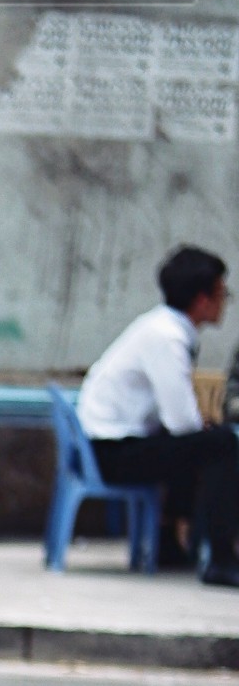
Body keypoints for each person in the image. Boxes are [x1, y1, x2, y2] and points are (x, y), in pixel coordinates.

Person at [77, 245, 239, 586]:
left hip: (114, 443)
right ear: (202, 299)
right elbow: (183, 422)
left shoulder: (160, 327)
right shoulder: (167, 338)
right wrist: (205, 429)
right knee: (221, 444)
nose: (225, 302)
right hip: (113, 452)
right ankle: (222, 558)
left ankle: (169, 544)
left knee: (196, 442)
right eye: (223, 294)